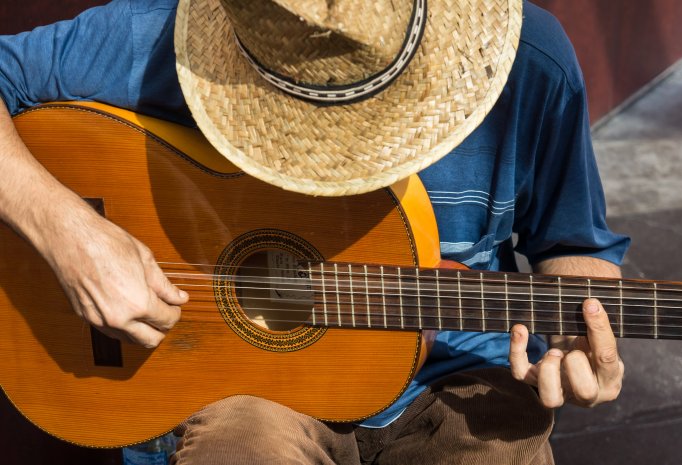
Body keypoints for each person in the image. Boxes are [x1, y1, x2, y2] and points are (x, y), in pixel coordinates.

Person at [0, 0, 629, 463]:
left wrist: (581, 333)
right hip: (238, 385)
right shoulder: (165, 37)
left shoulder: (528, 60)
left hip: (456, 380)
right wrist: (66, 230)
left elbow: (572, 244)